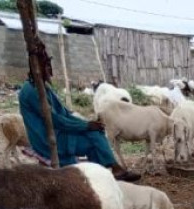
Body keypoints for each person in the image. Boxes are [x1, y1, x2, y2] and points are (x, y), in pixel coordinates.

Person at [17, 42, 138, 181]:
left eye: (49, 65)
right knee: (94, 136)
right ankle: (112, 170)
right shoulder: (32, 91)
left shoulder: (42, 87)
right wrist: (86, 126)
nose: (50, 70)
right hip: (47, 139)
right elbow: (55, 120)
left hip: (58, 132)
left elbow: (65, 114)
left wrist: (87, 124)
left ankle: (103, 175)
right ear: (36, 68)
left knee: (95, 134)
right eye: (47, 66)